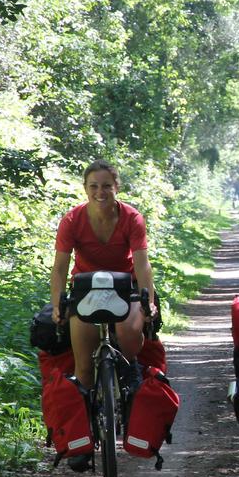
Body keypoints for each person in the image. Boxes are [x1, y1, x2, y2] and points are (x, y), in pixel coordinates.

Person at [50, 160, 157, 392]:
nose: (100, 192)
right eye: (94, 186)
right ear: (85, 188)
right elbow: (59, 267)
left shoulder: (132, 218)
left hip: (124, 287)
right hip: (86, 289)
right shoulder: (71, 220)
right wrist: (57, 304)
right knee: (85, 367)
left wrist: (148, 302)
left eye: (106, 186)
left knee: (127, 334)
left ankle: (130, 370)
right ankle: (89, 422)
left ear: (116, 187)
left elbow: (142, 264)